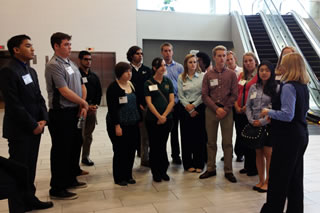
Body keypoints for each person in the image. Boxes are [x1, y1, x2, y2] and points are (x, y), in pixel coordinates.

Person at [0, 35, 53, 210]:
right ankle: (17, 206)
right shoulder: (9, 70)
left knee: (30, 166)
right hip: (20, 130)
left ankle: (29, 198)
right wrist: (32, 125)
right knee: (19, 168)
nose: (33, 49)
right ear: (16, 50)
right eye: (28, 46)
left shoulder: (30, 71)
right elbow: (14, 104)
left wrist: (44, 117)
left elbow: (39, 97)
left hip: (36, 127)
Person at [260, 53, 309, 213]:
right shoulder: (303, 86)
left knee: (278, 178)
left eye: (283, 63)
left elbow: (288, 115)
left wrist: (269, 111)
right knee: (295, 177)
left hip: (288, 138)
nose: (279, 66)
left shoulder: (289, 87)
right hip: (300, 134)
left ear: (289, 66)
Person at [45, 32, 88, 200]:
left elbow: (81, 85)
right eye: (66, 44)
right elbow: (64, 91)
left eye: (70, 44)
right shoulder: (54, 65)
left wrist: (82, 103)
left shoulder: (71, 63)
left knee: (74, 145)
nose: (70, 47)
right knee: (61, 150)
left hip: (74, 111)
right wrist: (83, 103)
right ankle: (57, 188)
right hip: (61, 113)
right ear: (56, 46)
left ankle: (70, 178)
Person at [200, 45, 238, 183]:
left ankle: (228, 170)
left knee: (227, 142)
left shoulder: (232, 74)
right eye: (219, 55)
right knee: (211, 141)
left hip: (227, 111)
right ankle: (211, 168)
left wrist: (225, 109)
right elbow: (204, 95)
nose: (222, 58)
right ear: (214, 57)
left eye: (224, 55)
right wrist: (216, 109)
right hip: (211, 111)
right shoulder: (208, 75)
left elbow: (234, 94)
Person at [106, 62, 141, 186]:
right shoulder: (113, 87)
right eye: (127, 71)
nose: (129, 73)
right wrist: (117, 125)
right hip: (119, 124)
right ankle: (119, 177)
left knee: (131, 150)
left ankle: (128, 175)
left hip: (132, 122)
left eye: (130, 71)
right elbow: (112, 109)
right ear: (120, 73)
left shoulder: (131, 85)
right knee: (120, 151)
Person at [246, 61, 278, 193]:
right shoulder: (254, 87)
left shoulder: (276, 88)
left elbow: (275, 108)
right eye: (261, 70)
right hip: (254, 124)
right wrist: (251, 120)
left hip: (268, 125)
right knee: (258, 153)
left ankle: (268, 182)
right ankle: (261, 180)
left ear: (271, 72)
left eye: (267, 70)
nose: (264, 73)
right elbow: (248, 106)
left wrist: (262, 122)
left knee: (268, 154)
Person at [144, 57, 175, 182]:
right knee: (154, 145)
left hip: (167, 119)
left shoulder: (168, 82)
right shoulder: (148, 83)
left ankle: (163, 170)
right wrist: (158, 116)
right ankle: (155, 172)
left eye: (164, 65)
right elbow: (149, 103)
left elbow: (172, 101)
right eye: (161, 65)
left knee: (162, 145)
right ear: (154, 68)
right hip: (152, 119)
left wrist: (164, 116)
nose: (164, 68)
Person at [178, 54, 206, 173]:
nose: (193, 64)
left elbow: (203, 94)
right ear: (186, 64)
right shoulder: (181, 77)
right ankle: (188, 163)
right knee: (186, 137)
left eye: (195, 62)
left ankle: (199, 163)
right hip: (185, 109)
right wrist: (188, 108)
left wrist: (194, 106)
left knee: (199, 137)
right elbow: (180, 95)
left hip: (199, 107)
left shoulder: (202, 76)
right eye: (190, 62)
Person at [126, 46, 152, 167]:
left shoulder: (147, 70)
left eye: (141, 53)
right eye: (137, 53)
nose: (140, 55)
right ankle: (135, 153)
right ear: (131, 55)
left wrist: (147, 103)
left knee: (145, 134)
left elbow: (151, 88)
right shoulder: (126, 70)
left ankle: (145, 158)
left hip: (146, 106)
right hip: (131, 107)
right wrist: (137, 105)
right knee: (134, 134)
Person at [235, 52, 259, 176]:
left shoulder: (259, 76)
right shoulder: (241, 76)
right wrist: (237, 106)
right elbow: (236, 92)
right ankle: (247, 165)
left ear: (255, 61)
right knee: (242, 138)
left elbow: (259, 94)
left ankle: (253, 167)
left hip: (251, 112)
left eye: (250, 60)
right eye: (245, 61)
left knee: (251, 139)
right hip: (239, 112)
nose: (248, 63)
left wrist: (247, 107)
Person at [78, 51, 102, 166]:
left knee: (88, 135)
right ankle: (74, 159)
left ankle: (85, 156)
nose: (88, 62)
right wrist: (84, 105)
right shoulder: (76, 75)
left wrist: (95, 105)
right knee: (78, 135)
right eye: (86, 59)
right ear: (80, 60)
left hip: (92, 110)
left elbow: (99, 92)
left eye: (90, 59)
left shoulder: (94, 76)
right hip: (80, 109)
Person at [161, 42, 183, 164]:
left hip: (177, 103)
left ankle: (176, 155)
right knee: (163, 132)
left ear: (172, 52)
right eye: (165, 51)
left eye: (169, 50)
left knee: (175, 131)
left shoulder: (179, 67)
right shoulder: (160, 67)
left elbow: (182, 86)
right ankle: (162, 157)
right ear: (162, 53)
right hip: (163, 105)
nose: (167, 53)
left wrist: (174, 102)